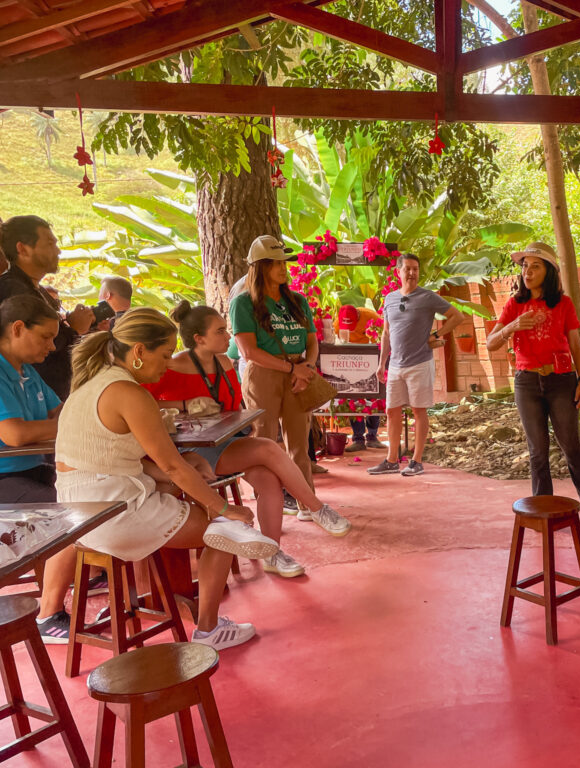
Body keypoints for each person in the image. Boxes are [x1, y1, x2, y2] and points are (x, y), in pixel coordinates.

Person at [44, 308, 280, 650]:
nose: (168, 364)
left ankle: (174, 600)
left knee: (180, 491)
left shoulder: (90, 383)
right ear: (139, 352)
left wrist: (189, 468)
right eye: (165, 355)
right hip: (112, 514)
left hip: (76, 512)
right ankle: (209, 630)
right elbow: (171, 466)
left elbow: (123, 461)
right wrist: (221, 509)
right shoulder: (129, 392)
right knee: (224, 532)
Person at [147, 301, 350, 565]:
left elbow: (232, 405)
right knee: (267, 447)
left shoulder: (224, 362)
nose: (228, 336)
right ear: (198, 338)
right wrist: (183, 406)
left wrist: (244, 419)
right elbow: (143, 404)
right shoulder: (173, 366)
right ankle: (317, 508)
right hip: (190, 449)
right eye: (220, 331)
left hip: (226, 441)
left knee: (269, 482)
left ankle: (271, 554)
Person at [485, 242, 580, 521]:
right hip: (527, 383)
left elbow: (575, 343)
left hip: (562, 380)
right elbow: (490, 344)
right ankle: (542, 508)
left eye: (535, 266)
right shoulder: (515, 304)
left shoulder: (563, 303)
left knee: (570, 444)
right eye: (525, 266)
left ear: (548, 272)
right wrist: (512, 326)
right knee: (537, 450)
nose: (528, 271)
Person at [228, 235, 322, 489]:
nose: (283, 268)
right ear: (260, 267)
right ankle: (267, 500)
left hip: (299, 373)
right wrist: (293, 369)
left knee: (299, 444)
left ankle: (307, 502)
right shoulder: (243, 303)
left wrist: (307, 370)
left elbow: (312, 341)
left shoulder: (298, 301)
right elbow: (248, 351)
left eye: (284, 263)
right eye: (276, 263)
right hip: (264, 375)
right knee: (264, 442)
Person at [0, 296, 61, 505]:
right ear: (17, 328)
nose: (52, 346)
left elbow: (60, 411)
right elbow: (15, 434)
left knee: (87, 493)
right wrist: (69, 426)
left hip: (27, 471)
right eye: (46, 337)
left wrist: (64, 422)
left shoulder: (27, 371)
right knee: (67, 508)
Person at [367, 254, 461, 477]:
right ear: (398, 272)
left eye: (415, 269)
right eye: (407, 269)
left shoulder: (428, 297)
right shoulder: (389, 299)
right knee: (391, 411)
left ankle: (416, 461)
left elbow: (457, 316)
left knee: (419, 411)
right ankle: (391, 460)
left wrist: (436, 334)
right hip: (396, 365)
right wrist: (382, 363)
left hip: (420, 363)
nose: (412, 273)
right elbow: (386, 333)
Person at [0, 215, 94, 399]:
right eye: (49, 244)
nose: (58, 251)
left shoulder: (35, 289)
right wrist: (73, 328)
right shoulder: (13, 289)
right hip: (32, 398)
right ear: (22, 249)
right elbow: (33, 344)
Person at [336, 304, 385, 451]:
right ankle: (358, 439)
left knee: (374, 397)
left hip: (372, 361)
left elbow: (385, 335)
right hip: (350, 363)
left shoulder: (371, 317)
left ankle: (372, 436)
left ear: (358, 316)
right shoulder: (337, 322)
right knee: (352, 396)